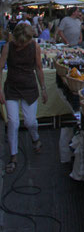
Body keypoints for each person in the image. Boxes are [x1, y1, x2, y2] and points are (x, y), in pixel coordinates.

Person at [0, 23, 48, 174]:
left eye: (24, 43)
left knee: (29, 121)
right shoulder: (8, 46)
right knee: (13, 121)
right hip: (12, 88)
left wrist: (44, 88)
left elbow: (39, 68)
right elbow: (0, 67)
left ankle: (35, 137)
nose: (21, 45)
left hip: (29, 87)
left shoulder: (35, 46)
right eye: (20, 43)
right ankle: (13, 156)